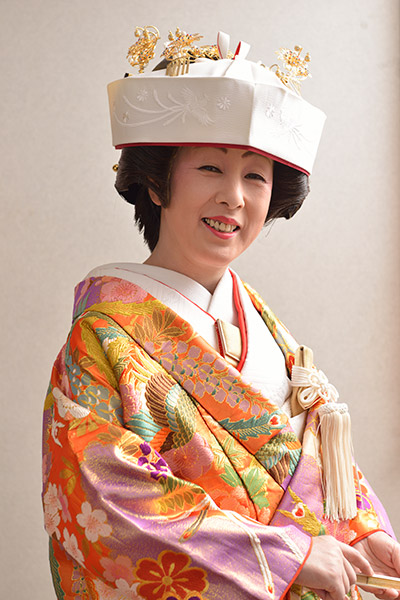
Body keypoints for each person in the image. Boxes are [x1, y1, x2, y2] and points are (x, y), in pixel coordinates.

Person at [42, 28, 400, 600]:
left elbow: (312, 462)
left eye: (255, 175)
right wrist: (285, 556)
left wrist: (365, 530)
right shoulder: (102, 338)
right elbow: (109, 505)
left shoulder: (267, 327)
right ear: (156, 183)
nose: (234, 195)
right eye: (211, 168)